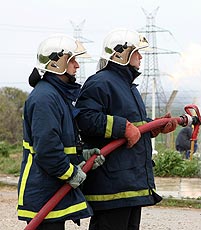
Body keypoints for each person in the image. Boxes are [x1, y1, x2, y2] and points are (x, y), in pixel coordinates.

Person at [75, 28, 177, 230]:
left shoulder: (126, 85)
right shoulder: (101, 82)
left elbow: (134, 125)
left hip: (129, 183)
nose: (141, 57)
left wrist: (155, 126)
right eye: (136, 52)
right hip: (112, 184)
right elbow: (85, 119)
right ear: (121, 54)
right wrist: (122, 127)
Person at [17, 34, 105, 230]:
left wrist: (82, 156)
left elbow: (62, 143)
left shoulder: (55, 95)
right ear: (57, 63)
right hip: (43, 192)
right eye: (72, 59)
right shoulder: (45, 99)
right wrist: (70, 172)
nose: (77, 65)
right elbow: (48, 150)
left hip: (50, 190)